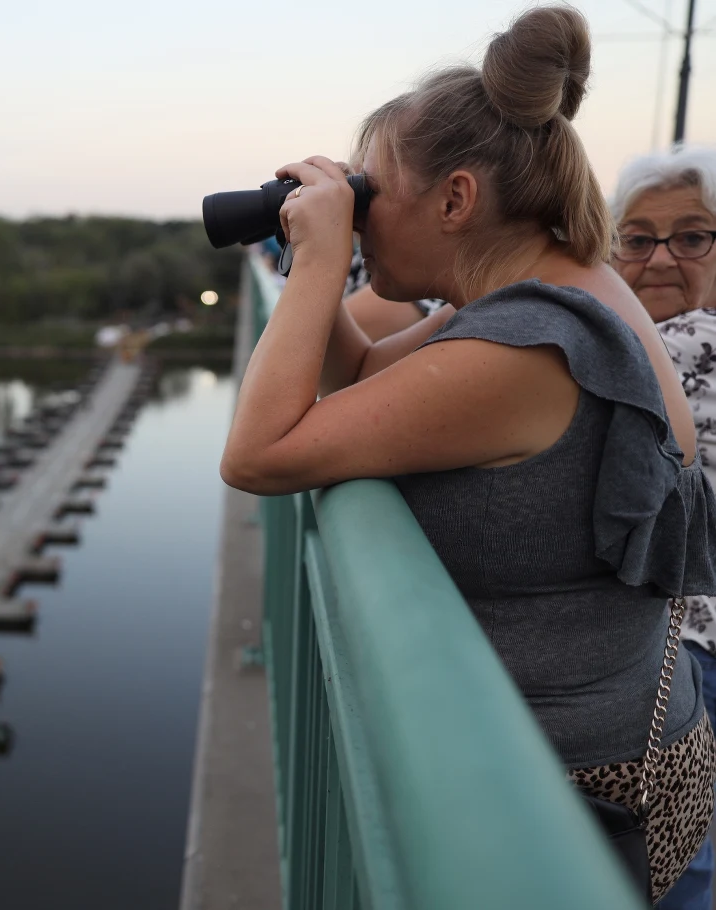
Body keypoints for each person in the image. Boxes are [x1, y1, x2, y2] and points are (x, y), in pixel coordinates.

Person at [218, 5, 716, 900]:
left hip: (568, 814)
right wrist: (320, 255)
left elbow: (258, 454)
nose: (361, 221)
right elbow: (362, 369)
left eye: (374, 194)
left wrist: (324, 256)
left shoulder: (523, 349)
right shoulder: (555, 288)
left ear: (455, 199)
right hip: (625, 763)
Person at [610, 144, 716, 910]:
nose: (660, 259)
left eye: (693, 236)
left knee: (677, 873)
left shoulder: (686, 343)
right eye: (637, 238)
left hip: (687, 657)